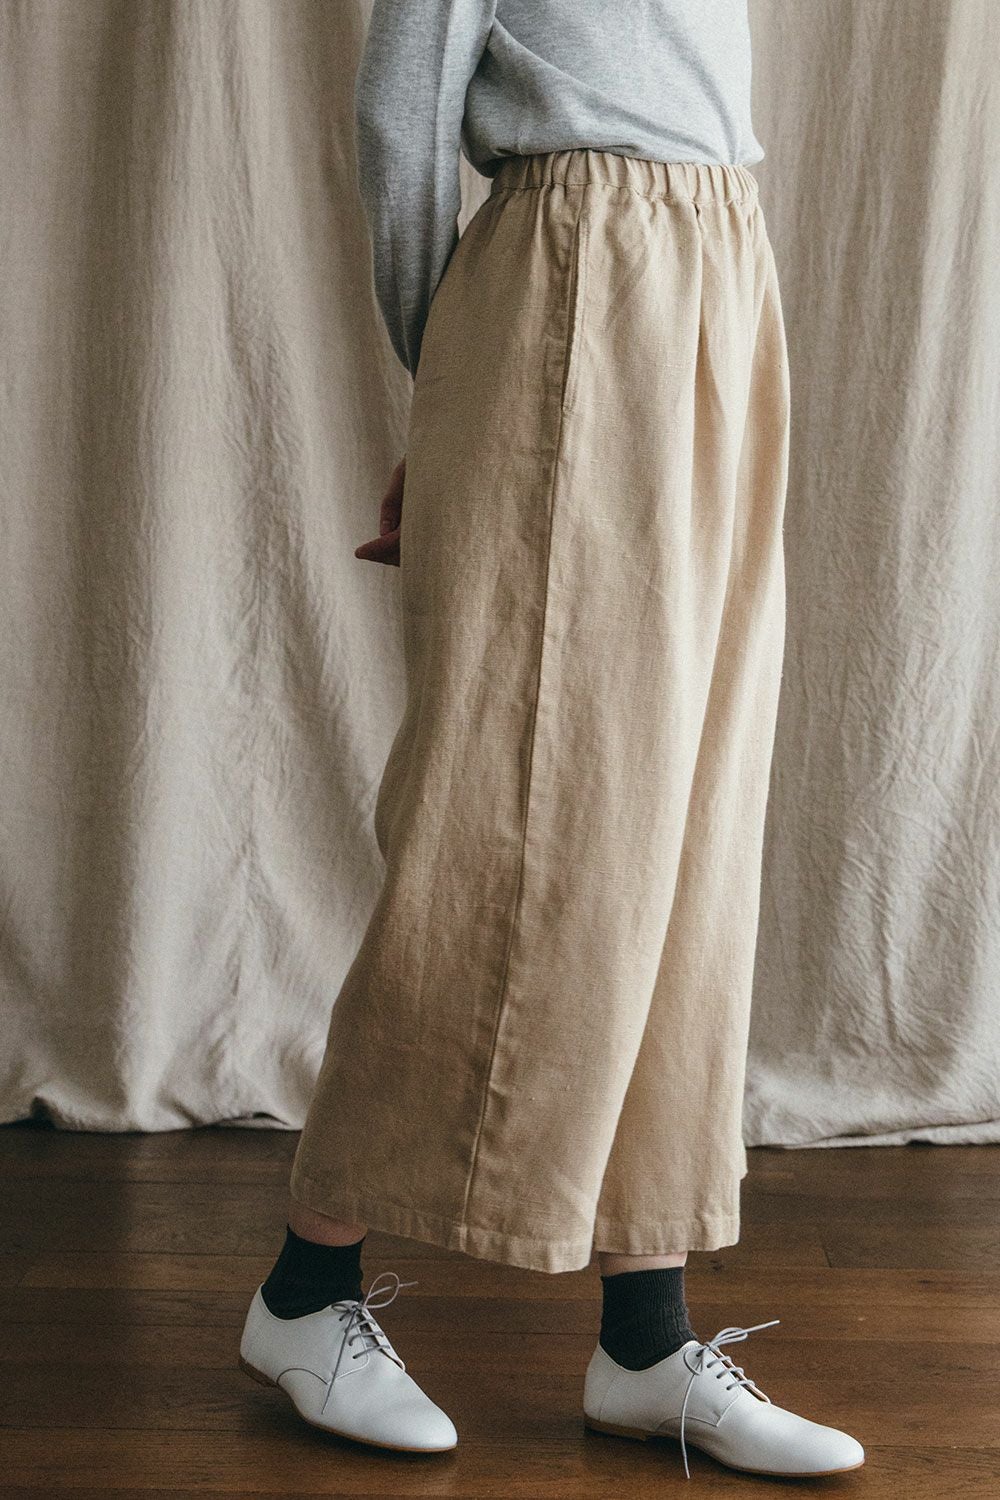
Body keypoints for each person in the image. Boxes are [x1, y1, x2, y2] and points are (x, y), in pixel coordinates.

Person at [239, 0, 865, 1478]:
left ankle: (646, 1337)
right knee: (520, 814)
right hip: (574, 270)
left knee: (686, 812)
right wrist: (461, 379)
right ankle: (305, 1289)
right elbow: (400, 115)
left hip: (723, 270)